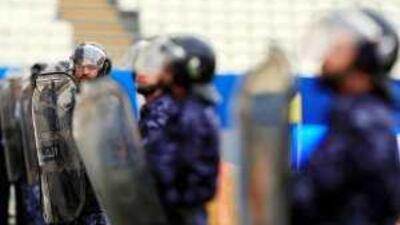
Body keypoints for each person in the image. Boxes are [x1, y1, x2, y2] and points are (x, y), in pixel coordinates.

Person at [291, 9, 400, 225]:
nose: (327, 56)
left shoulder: (363, 125)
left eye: (338, 48)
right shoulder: (350, 118)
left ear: (364, 56)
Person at [146, 36, 220, 225]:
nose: (163, 68)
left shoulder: (192, 116)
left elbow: (183, 171)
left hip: (182, 216)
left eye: (169, 64)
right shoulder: (181, 108)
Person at [132, 36, 175, 147]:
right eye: (140, 64)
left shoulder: (165, 112)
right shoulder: (149, 109)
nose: (141, 72)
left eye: (151, 66)